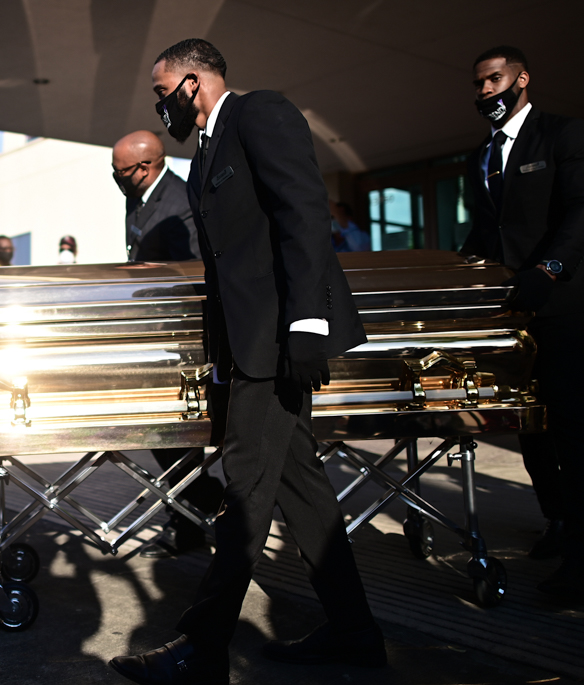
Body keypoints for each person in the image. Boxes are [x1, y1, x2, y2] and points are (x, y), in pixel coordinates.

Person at [110, 40, 380, 685]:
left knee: (246, 486)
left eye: (162, 92)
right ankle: (356, 634)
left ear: (193, 81)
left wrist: (307, 322)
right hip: (251, 344)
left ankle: (202, 648)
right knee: (300, 487)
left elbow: (303, 212)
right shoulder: (205, 153)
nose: (160, 106)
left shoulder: (260, 112)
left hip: (282, 339)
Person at [459, 46, 584, 602]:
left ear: (522, 79)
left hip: (563, 303)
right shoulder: (481, 154)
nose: (485, 91)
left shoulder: (564, 134)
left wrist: (550, 269)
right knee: (528, 426)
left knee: (570, 426)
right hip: (512, 311)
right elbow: (486, 230)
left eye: (494, 80)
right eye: (479, 84)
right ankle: (558, 520)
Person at [111, 129, 221, 560]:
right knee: (165, 434)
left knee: (172, 429)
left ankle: (201, 508)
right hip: (155, 332)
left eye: (120, 171)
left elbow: (192, 273)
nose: (116, 178)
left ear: (144, 167)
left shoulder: (179, 203)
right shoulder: (139, 197)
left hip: (183, 336)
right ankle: (196, 509)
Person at [113, 130, 199, 262]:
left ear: (143, 170)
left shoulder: (183, 206)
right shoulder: (135, 191)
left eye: (120, 172)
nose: (117, 176)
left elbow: (190, 268)